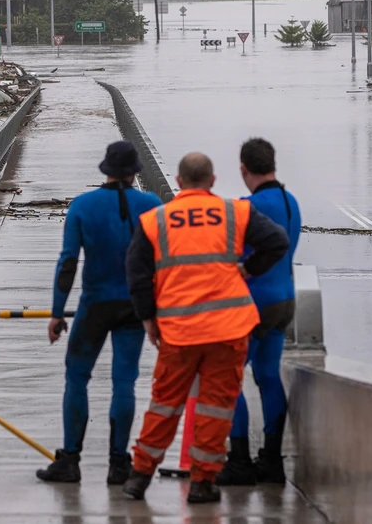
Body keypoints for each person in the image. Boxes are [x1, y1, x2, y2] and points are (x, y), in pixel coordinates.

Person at [122, 152, 289, 504]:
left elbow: (137, 274)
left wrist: (148, 318)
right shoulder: (235, 212)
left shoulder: (155, 220)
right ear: (212, 180)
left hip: (179, 331)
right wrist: (246, 270)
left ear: (179, 182)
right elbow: (277, 242)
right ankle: (202, 483)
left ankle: (139, 476)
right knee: (216, 408)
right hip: (229, 330)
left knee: (164, 404)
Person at [37, 141, 163, 485]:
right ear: (136, 170)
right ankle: (119, 464)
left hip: (95, 304)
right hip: (135, 306)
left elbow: (67, 262)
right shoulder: (152, 205)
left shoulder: (82, 206)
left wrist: (57, 312)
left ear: (105, 170)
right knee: (125, 380)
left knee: (76, 378)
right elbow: (161, 262)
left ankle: (70, 461)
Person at [216, 138, 302, 486]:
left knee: (227, 377)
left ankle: (239, 462)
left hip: (254, 302)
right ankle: (272, 460)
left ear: (243, 169)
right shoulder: (290, 201)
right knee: (267, 377)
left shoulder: (247, 207)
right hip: (285, 299)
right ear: (273, 164)